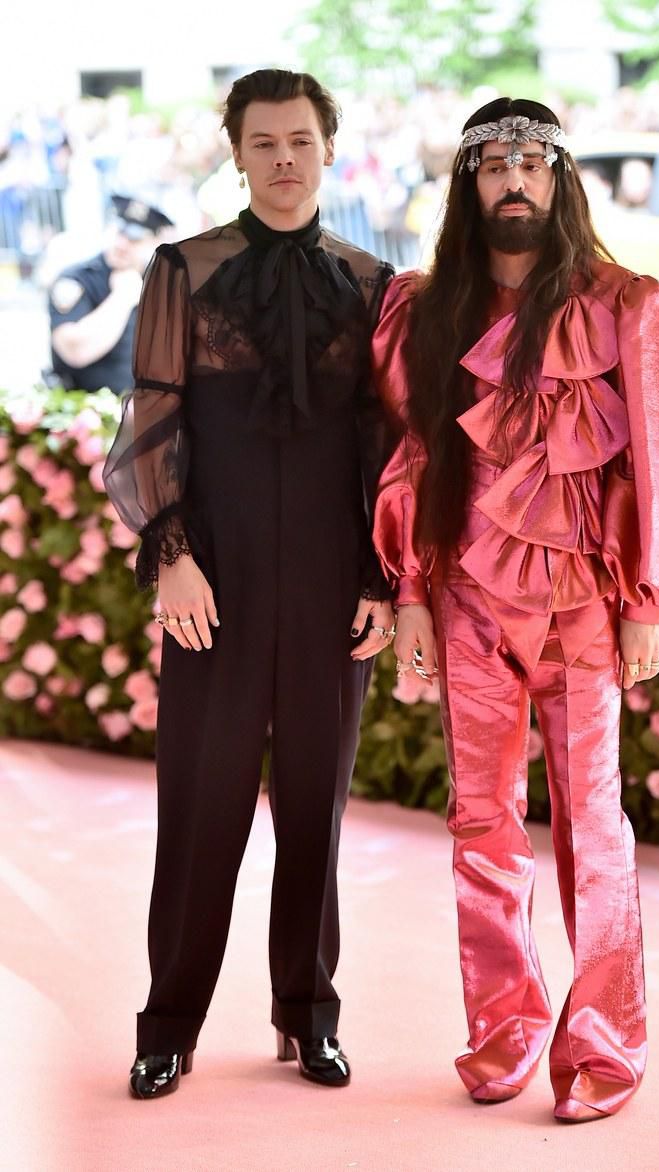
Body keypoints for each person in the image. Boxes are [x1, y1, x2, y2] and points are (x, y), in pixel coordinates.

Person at [372, 98, 659, 1123]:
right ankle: (504, 1024)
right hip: (469, 602)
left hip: (581, 613)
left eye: (532, 160)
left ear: (560, 176)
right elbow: (409, 461)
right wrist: (410, 596)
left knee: (594, 828)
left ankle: (604, 1041)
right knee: (479, 819)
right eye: (494, 163)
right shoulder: (425, 311)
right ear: (469, 183)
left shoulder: (629, 305)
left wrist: (648, 595)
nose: (513, 178)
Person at [103, 68, 395, 1100]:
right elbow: (148, 420)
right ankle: (167, 1023)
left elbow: (384, 449)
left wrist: (381, 577)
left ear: (328, 150)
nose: (282, 158)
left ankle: (308, 1013)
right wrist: (170, 554)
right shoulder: (184, 269)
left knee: (317, 802)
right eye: (263, 141)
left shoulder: (371, 282)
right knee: (201, 803)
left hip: (330, 588)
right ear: (237, 152)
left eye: (300, 140)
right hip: (213, 585)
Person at [48, 194, 174, 394]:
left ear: (154, 243)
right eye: (120, 233)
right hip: (87, 413)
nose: (122, 244)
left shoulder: (163, 283)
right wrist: (122, 297)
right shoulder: (77, 279)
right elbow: (74, 349)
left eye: (134, 239)